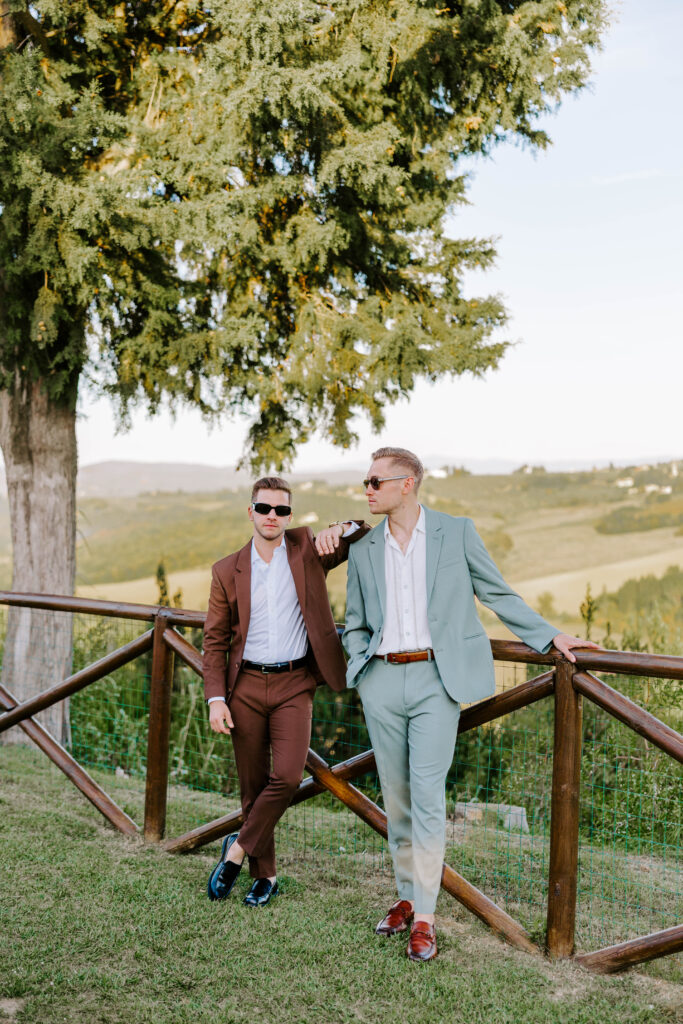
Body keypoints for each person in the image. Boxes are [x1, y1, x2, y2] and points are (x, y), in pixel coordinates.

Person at [343, 447, 599, 961]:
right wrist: (361, 669)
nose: (367, 489)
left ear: (407, 483)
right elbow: (355, 621)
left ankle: (427, 917)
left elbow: (497, 593)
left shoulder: (456, 532)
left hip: (438, 680)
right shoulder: (365, 550)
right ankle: (406, 897)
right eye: (365, 481)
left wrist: (550, 637)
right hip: (382, 682)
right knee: (396, 798)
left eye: (375, 481)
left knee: (428, 795)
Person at [202, 476, 368, 907]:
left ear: (290, 516)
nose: (272, 517)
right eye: (264, 509)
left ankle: (235, 851)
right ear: (251, 512)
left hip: (296, 682)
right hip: (245, 687)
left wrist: (341, 527)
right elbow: (215, 641)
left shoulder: (308, 552)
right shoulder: (226, 570)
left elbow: (361, 531)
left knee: (289, 776)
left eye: (281, 510)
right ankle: (266, 877)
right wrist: (215, 698)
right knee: (253, 786)